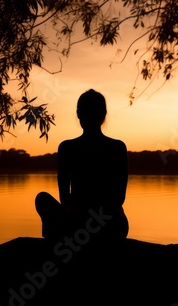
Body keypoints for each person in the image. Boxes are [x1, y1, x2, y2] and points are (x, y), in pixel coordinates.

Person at [35, 89, 129, 244]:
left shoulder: (68, 148)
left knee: (43, 201)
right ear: (104, 115)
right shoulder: (117, 147)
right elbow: (119, 197)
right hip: (91, 219)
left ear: (78, 114)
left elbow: (118, 198)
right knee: (42, 199)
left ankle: (62, 236)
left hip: (100, 221)